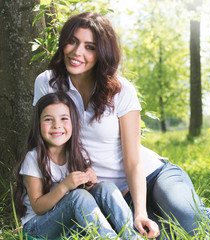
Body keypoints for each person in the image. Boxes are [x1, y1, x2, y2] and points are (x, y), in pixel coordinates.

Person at [32, 12, 210, 239]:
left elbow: (133, 161)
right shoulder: (47, 83)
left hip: (151, 176)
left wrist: (140, 212)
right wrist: (33, 210)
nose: (77, 52)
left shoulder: (121, 90)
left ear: (102, 52)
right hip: (111, 195)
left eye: (90, 47)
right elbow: (43, 147)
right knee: (164, 235)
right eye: (72, 41)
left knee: (190, 222)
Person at [14, 92, 140, 239]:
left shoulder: (74, 154)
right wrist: (65, 186)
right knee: (77, 197)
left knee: (105, 188)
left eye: (64, 119)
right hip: (38, 228)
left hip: (68, 224)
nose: (57, 125)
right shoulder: (33, 158)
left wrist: (86, 184)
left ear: (73, 122)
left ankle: (132, 236)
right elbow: (38, 206)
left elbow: (73, 202)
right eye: (48, 119)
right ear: (38, 124)